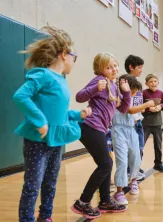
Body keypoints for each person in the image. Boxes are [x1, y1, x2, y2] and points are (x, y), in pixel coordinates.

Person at [13, 25, 91, 222]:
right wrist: (39, 120)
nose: (74, 61)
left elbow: (60, 113)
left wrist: (77, 115)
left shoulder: (61, 80)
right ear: (64, 54)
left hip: (56, 141)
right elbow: (21, 96)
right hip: (37, 140)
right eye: (74, 56)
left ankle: (45, 216)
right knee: (33, 184)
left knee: (50, 182)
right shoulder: (43, 75)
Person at [71, 53, 131, 219]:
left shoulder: (113, 85)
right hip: (90, 126)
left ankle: (105, 200)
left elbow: (123, 109)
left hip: (100, 129)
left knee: (107, 163)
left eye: (115, 65)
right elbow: (79, 96)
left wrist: (126, 93)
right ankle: (83, 202)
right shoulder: (99, 81)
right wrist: (95, 88)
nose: (113, 69)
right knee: (105, 164)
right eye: (108, 67)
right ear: (101, 69)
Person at [112, 74, 154, 205]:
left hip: (131, 129)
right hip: (118, 130)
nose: (134, 94)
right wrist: (148, 104)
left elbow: (135, 114)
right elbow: (129, 110)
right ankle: (119, 191)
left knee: (136, 157)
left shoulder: (132, 98)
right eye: (133, 92)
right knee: (122, 161)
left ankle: (133, 181)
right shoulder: (117, 98)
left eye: (136, 92)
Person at [142, 74, 163, 173]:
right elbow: (140, 105)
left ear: (158, 83)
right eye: (151, 81)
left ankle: (158, 164)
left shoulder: (160, 93)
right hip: (145, 123)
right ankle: (137, 166)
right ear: (147, 83)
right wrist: (149, 108)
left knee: (158, 145)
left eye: (155, 81)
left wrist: (160, 106)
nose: (153, 83)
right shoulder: (143, 93)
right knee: (141, 145)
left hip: (157, 123)